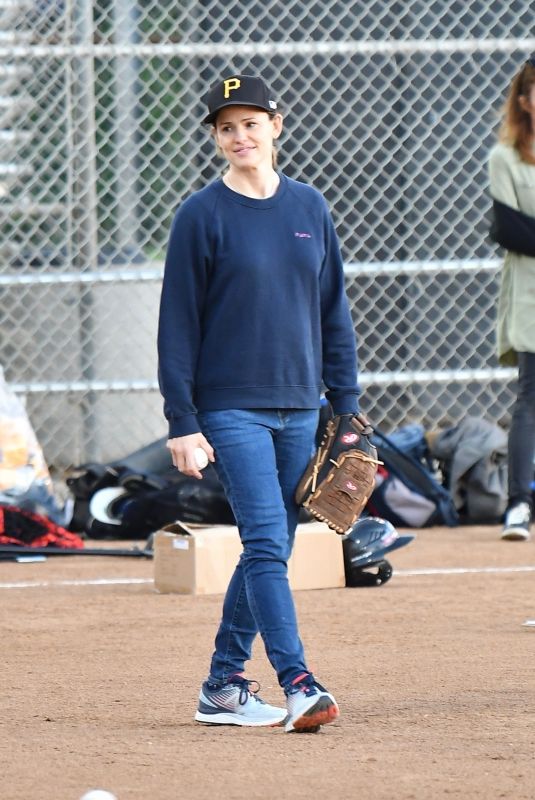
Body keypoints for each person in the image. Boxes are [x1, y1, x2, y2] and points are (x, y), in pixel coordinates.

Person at [157, 73, 368, 732]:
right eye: (226, 127)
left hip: (300, 405)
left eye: (250, 122)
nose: (239, 136)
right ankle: (299, 682)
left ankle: (221, 684)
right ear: (216, 140)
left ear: (277, 125)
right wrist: (182, 422)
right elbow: (176, 326)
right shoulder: (201, 215)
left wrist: (348, 407)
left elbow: (332, 311)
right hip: (229, 407)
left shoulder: (309, 208)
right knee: (267, 543)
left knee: (264, 546)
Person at [489, 54, 535, 541]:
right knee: (531, 396)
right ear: (524, 101)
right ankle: (519, 503)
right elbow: (509, 229)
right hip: (530, 294)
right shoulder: (506, 157)